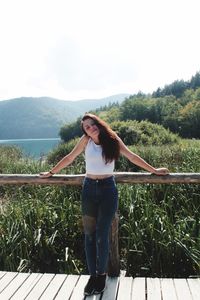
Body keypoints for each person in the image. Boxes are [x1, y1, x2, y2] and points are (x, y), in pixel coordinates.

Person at [40, 113, 169, 296]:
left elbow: (132, 157)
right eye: (86, 127)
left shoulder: (112, 138)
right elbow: (70, 158)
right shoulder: (85, 141)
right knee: (89, 236)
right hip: (89, 190)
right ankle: (92, 275)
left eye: (92, 124)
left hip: (108, 190)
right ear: (84, 131)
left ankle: (102, 275)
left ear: (98, 124)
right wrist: (51, 172)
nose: (90, 128)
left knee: (102, 235)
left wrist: (154, 170)